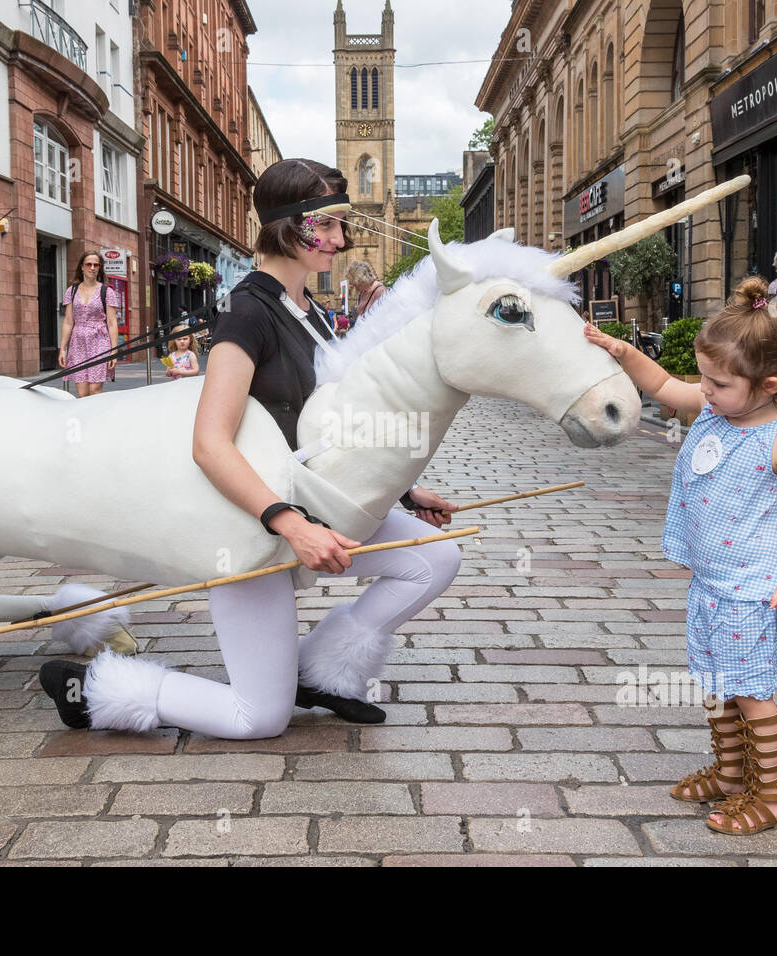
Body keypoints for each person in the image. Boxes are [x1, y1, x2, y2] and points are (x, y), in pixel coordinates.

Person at [39, 158, 461, 739]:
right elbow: (209, 444)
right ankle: (98, 689)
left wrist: (405, 491)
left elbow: (323, 425)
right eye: (329, 225)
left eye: (344, 225)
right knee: (259, 718)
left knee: (437, 557)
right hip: (246, 524)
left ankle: (317, 670)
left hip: (308, 499)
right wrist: (290, 524)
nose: (342, 240)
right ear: (288, 226)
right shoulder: (246, 313)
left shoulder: (312, 313)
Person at [584, 276, 777, 835]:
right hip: (712, 584)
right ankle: (731, 772)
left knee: (752, 693)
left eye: (718, 382)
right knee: (717, 683)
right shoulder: (715, 409)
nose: (706, 390)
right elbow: (665, 385)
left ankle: (771, 796)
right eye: (706, 379)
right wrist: (621, 351)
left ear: (768, 385)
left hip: (755, 590)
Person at [58, 250, 120, 398]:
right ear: (82, 267)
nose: (92, 268)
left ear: (99, 268)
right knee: (82, 393)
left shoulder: (106, 291)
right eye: (88, 264)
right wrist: (62, 348)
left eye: (96, 265)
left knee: (95, 390)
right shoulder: (71, 291)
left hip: (99, 341)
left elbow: (111, 323)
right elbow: (68, 321)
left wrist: (114, 351)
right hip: (78, 343)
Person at [345, 260, 386, 325]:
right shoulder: (363, 292)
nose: (351, 284)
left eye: (353, 281)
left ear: (360, 279)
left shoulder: (380, 291)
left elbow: (383, 320)